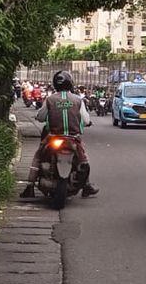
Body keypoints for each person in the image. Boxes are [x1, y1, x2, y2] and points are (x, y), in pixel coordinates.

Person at [22, 70, 99, 198]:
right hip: (73, 139)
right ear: (71, 83)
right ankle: (86, 185)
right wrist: (88, 122)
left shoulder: (50, 99)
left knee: (38, 156)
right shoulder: (78, 100)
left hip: (53, 137)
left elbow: (41, 117)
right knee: (83, 159)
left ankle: (29, 187)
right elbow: (86, 120)